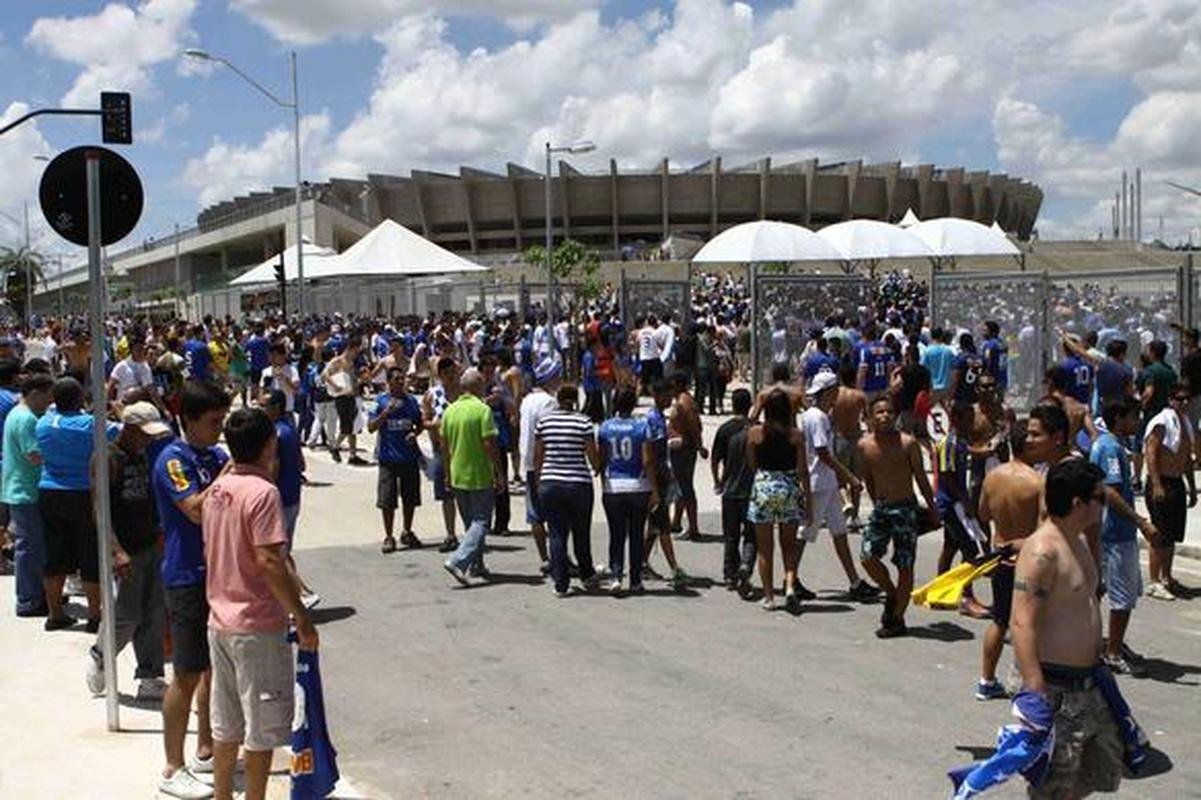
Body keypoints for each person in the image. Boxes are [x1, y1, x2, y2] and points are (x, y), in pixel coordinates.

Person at [202, 407, 318, 800]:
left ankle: (222, 795)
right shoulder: (264, 493)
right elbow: (269, 560)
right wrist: (301, 616)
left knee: (226, 724)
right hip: (255, 624)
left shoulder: (218, 490)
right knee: (261, 728)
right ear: (270, 444)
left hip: (219, 620)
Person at [1010, 458, 1123, 800]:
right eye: (1099, 498)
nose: (1104, 504)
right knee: (1051, 787)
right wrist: (1035, 692)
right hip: (1054, 687)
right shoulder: (1043, 552)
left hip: (1090, 681)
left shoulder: (1077, 539)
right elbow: (1021, 622)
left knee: (1097, 770)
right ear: (1079, 503)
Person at [153, 379, 231, 799]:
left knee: (211, 669)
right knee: (185, 672)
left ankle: (205, 744)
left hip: (216, 573)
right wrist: (231, 473)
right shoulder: (174, 459)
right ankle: (172, 765)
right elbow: (195, 510)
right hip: (185, 575)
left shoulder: (214, 455)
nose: (220, 430)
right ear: (189, 421)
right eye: (213, 421)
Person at [86, 402, 172, 701]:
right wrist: (116, 551)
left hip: (149, 543)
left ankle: (150, 675)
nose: (149, 440)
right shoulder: (107, 458)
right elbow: (100, 510)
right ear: (130, 428)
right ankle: (101, 654)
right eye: (145, 434)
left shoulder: (143, 456)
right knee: (126, 615)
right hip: (124, 549)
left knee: (153, 613)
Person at [36, 377, 120, 632]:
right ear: (80, 399)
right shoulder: (90, 424)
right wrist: (115, 408)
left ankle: (55, 614)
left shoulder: (43, 423)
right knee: (90, 554)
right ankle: (95, 616)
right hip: (83, 493)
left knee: (54, 554)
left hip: (49, 491)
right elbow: (121, 431)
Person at [856, 395, 939, 638]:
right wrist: (875, 502)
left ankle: (897, 618)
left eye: (889, 412)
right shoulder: (865, 445)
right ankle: (892, 594)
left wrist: (933, 509)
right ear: (870, 417)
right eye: (879, 412)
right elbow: (868, 478)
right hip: (882, 509)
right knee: (868, 557)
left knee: (905, 565)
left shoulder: (908, 443)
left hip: (905, 510)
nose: (884, 416)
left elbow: (921, 480)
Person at [974, 420, 1044, 701]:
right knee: (1030, 623)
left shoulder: (993, 477)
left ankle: (986, 680)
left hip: (1000, 558)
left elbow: (982, 514)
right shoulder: (1037, 482)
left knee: (1000, 619)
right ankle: (1030, 684)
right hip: (1026, 560)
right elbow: (1043, 529)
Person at [1091, 397, 1159, 674]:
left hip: (1118, 534)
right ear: (1119, 418)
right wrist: (1141, 521)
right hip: (1115, 535)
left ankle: (1112, 644)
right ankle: (1113, 652)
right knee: (1120, 595)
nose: (1138, 421)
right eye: (1134, 416)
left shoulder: (1115, 446)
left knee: (1124, 593)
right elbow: (1110, 491)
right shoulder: (1108, 448)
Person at [797, 372, 876, 602]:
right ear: (830, 391)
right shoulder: (819, 417)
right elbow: (822, 453)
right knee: (806, 532)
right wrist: (849, 477)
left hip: (827, 483)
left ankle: (854, 581)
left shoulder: (817, 415)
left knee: (839, 532)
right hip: (819, 483)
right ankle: (790, 578)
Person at [746, 389, 812, 611]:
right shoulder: (796, 435)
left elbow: (752, 465)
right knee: (789, 545)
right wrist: (809, 503)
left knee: (765, 548)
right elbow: (803, 471)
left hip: (764, 487)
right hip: (789, 487)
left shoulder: (755, 433)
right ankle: (791, 586)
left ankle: (769, 597)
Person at [535, 383, 602, 597]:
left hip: (550, 483)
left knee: (556, 533)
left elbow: (538, 456)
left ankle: (561, 584)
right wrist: (598, 466)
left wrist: (539, 481)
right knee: (581, 532)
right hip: (578, 483)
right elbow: (592, 455)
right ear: (575, 400)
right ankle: (586, 574)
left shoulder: (544, 422)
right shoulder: (583, 422)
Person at [440, 368, 504, 585]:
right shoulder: (482, 410)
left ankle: (477, 564)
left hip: (458, 474)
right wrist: (500, 472)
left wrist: (447, 474)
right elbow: (489, 443)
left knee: (470, 525)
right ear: (476, 386)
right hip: (478, 474)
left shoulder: (450, 411)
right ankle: (458, 561)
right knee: (481, 521)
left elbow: (445, 448)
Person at [1, 372, 53, 618]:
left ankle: (36, 593)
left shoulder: (17, 413)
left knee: (31, 546)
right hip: (26, 490)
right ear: (35, 393)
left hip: (19, 488)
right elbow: (34, 455)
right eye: (47, 395)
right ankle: (29, 600)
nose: (50, 401)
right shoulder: (27, 419)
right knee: (29, 548)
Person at [263, 390, 319, 610]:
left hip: (281, 499)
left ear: (276, 407)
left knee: (277, 552)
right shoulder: (289, 429)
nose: (262, 410)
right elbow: (302, 464)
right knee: (283, 551)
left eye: (265, 406)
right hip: (293, 496)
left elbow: (273, 468)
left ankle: (303, 594)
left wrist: (264, 490)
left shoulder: (276, 433)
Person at [597, 386, 653, 595]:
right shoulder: (642, 426)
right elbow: (647, 460)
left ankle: (615, 576)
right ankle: (636, 580)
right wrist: (654, 488)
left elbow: (602, 459)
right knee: (636, 534)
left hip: (613, 486)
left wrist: (603, 480)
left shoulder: (605, 427)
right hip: (638, 485)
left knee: (616, 534)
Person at [1143, 386, 1195, 600]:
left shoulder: (1186, 423)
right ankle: (1154, 581)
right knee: (1159, 533)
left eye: (1186, 399)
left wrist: (1191, 486)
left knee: (1172, 534)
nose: (1183, 403)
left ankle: (1167, 576)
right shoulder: (1161, 422)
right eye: (1179, 399)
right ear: (1170, 400)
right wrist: (1156, 484)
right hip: (1161, 482)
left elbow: (1186, 459)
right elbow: (1151, 452)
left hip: (1176, 483)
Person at [368, 368, 425, 553]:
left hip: (408, 458)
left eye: (403, 379)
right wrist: (386, 413)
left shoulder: (411, 402)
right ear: (389, 382)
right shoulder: (380, 401)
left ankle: (407, 531)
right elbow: (370, 427)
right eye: (397, 379)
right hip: (388, 459)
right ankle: (389, 535)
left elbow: (420, 423)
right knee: (387, 499)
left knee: (410, 498)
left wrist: (414, 433)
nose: (401, 382)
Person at [642, 378, 689, 589]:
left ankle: (641, 561)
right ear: (657, 396)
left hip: (661, 474)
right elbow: (653, 452)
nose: (670, 399)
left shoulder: (659, 417)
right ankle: (674, 568)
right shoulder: (653, 418)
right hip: (657, 477)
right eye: (667, 396)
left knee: (655, 525)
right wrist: (665, 475)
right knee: (663, 526)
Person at [711, 388, 756, 594]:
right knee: (751, 534)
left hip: (729, 490)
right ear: (750, 406)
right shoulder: (756, 429)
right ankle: (746, 564)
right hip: (751, 491)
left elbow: (715, 459)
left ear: (733, 406)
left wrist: (718, 480)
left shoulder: (724, 430)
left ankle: (730, 575)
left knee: (730, 536)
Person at [519, 358, 561, 572]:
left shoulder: (527, 400)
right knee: (554, 515)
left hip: (527, 461)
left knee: (535, 514)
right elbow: (547, 434)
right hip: (544, 463)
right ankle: (557, 557)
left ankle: (545, 557)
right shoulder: (548, 402)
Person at [423, 356, 460, 552]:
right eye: (446, 372)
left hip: (462, 447)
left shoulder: (463, 393)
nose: (450, 375)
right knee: (446, 494)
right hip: (441, 448)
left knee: (465, 492)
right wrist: (435, 425)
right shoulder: (432, 395)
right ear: (440, 374)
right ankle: (451, 533)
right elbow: (425, 421)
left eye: (452, 371)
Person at [669, 370, 707, 540]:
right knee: (681, 485)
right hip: (679, 447)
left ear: (678, 384)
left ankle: (694, 528)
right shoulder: (680, 400)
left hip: (684, 448)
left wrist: (699, 446)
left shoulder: (684, 402)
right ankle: (676, 522)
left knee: (685, 487)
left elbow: (693, 424)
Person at [322, 336, 367, 465]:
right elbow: (325, 374)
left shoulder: (352, 363)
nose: (357, 354)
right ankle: (335, 447)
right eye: (356, 351)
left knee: (353, 427)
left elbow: (351, 382)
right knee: (346, 427)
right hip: (341, 398)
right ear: (350, 348)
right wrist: (335, 386)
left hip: (352, 396)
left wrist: (361, 381)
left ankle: (352, 455)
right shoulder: (337, 361)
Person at [832, 364, 867, 525]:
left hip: (840, 437)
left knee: (840, 478)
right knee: (856, 479)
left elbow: (829, 416)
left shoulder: (835, 395)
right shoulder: (860, 396)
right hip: (856, 438)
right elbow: (867, 417)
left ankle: (846, 503)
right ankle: (855, 516)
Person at [108, 338, 155, 403]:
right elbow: (111, 387)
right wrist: (111, 403)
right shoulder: (121, 366)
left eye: (142, 349)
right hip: (124, 405)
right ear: (131, 350)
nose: (141, 352)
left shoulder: (146, 367)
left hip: (141, 405)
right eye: (138, 350)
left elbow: (150, 389)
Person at [259, 343, 300, 418]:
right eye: (270, 356)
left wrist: (284, 378)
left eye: (274, 356)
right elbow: (261, 392)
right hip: (271, 412)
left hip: (287, 410)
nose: (271, 359)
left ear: (283, 355)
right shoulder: (266, 372)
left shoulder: (292, 370)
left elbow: (296, 389)